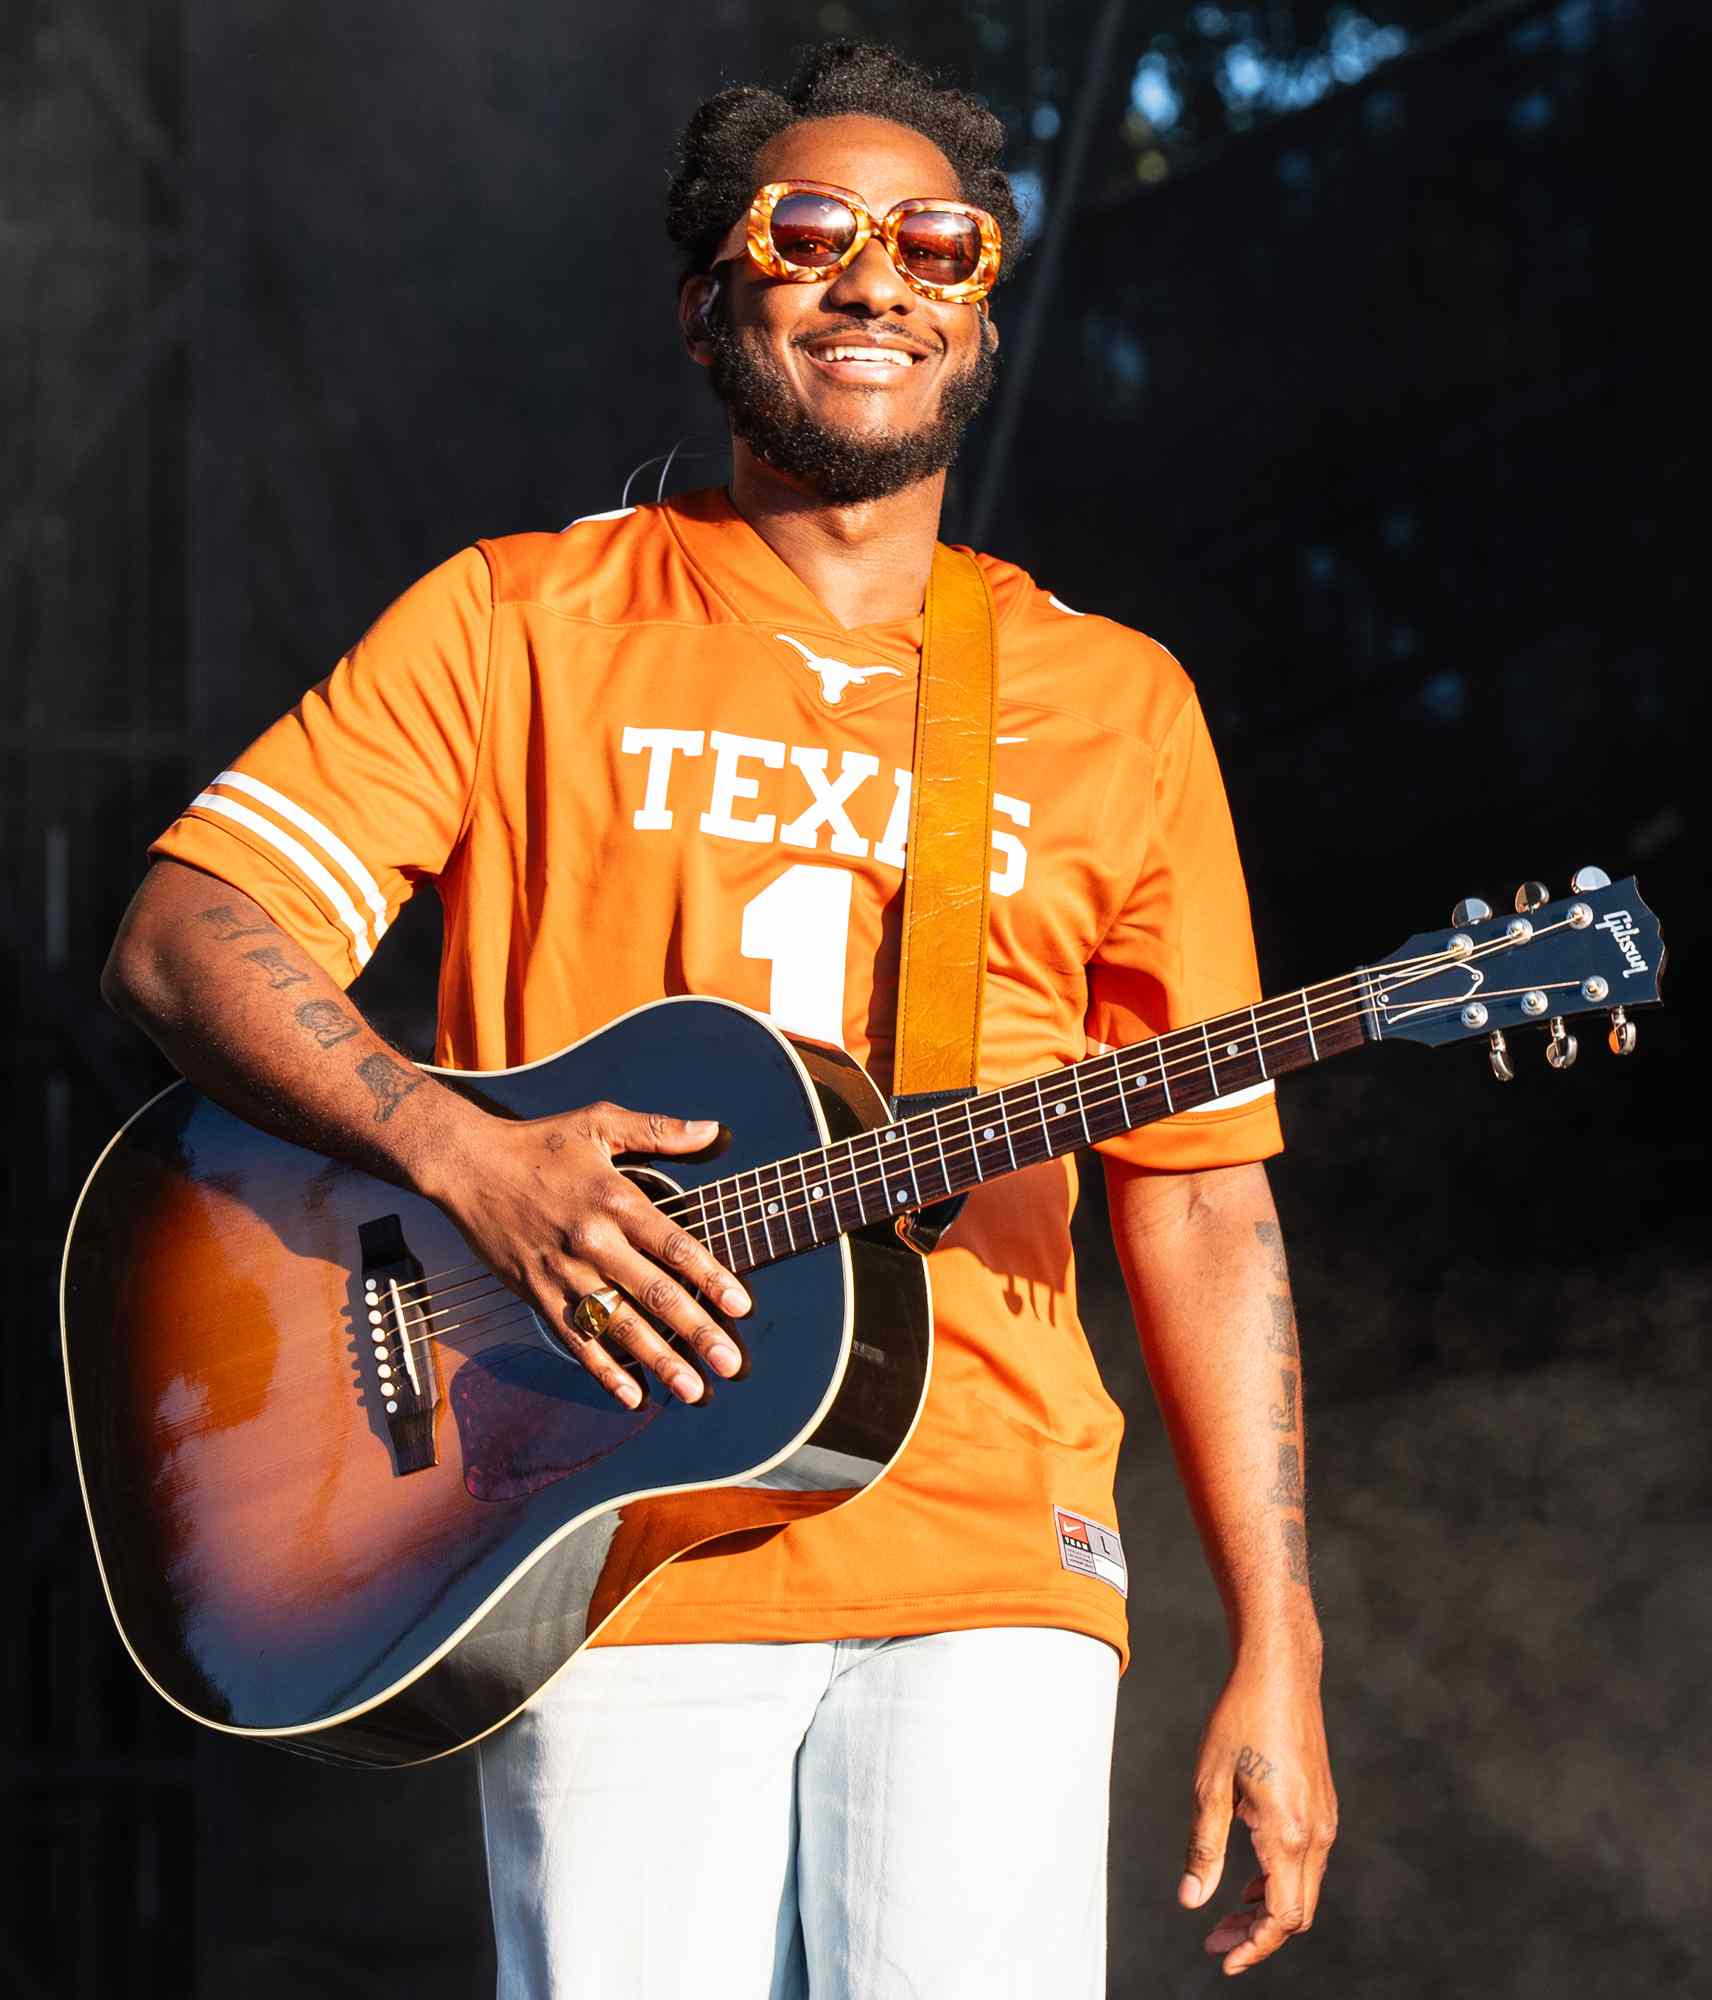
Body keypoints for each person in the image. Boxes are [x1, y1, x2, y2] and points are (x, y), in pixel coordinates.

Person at [102, 39, 1336, 2000]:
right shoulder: (519, 620)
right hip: (594, 1534)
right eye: (811, 233)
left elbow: (1199, 1200)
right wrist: (460, 1155)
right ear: (710, 305)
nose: (878, 279)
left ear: (983, 309)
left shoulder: (1113, 702)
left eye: (937, 242)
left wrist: (1280, 1629)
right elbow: (185, 933)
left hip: (993, 1551)